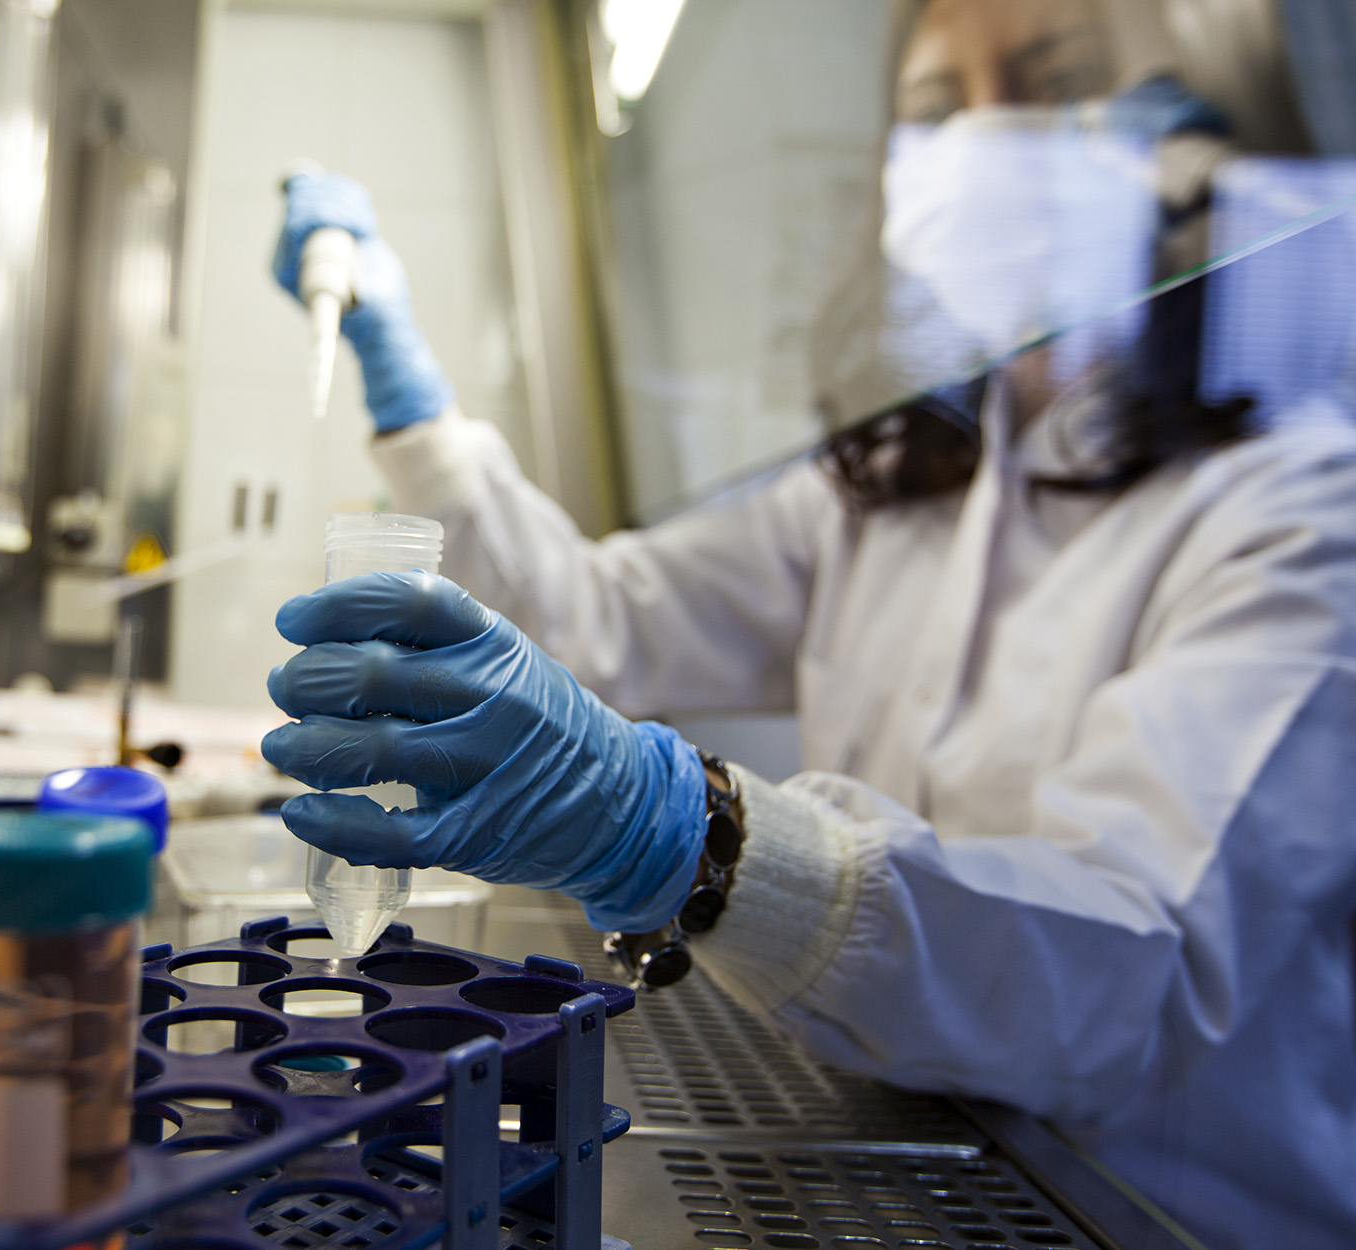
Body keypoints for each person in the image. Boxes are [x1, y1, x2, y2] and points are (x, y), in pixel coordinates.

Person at [259, 0, 1356, 1245]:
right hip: (911, 1145)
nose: (986, 143)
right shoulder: (908, 477)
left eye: (1055, 82)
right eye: (939, 110)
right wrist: (417, 408)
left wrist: (693, 836)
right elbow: (594, 620)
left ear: (1205, 140)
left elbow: (1124, 980)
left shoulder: (1304, 509)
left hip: (1157, 1205)